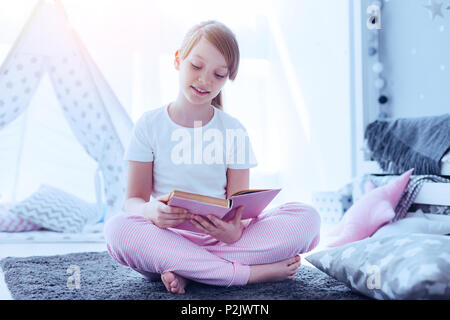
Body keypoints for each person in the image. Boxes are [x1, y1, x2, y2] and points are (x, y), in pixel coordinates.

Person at [104, 20, 320, 294]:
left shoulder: (233, 130)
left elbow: (240, 207)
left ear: (227, 78)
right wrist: (151, 212)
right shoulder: (149, 125)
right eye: (196, 66)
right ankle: (246, 274)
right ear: (177, 60)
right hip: (167, 238)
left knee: (307, 217)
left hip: (223, 242)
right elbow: (133, 201)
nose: (205, 80)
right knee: (118, 229)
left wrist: (235, 231)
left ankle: (190, 271)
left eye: (218, 74)